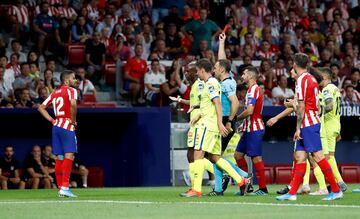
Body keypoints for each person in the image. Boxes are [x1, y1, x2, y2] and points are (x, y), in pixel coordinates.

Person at [276, 53, 343, 201]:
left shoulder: (301, 80)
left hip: (309, 123)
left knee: (318, 156)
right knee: (300, 157)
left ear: (294, 64)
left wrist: (298, 128)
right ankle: (292, 193)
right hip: (312, 121)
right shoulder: (312, 79)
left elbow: (301, 106)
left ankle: (336, 190)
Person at [181, 58, 249, 197]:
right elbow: (210, 105)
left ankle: (196, 189)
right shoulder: (211, 83)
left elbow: (217, 104)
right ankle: (240, 179)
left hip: (208, 125)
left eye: (197, 71)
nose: (197, 75)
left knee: (198, 154)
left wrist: (219, 123)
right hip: (209, 122)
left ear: (201, 70)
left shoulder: (211, 83)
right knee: (215, 157)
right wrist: (198, 114)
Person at [209, 33, 249, 196]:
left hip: (226, 119)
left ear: (222, 70)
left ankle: (242, 177)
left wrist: (229, 121)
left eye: (216, 68)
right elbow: (222, 60)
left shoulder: (226, 84)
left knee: (215, 156)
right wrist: (222, 43)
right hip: (224, 119)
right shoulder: (228, 78)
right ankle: (240, 178)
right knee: (215, 156)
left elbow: (236, 103)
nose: (214, 69)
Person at [38, 70, 78, 198]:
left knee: (59, 157)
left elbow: (40, 108)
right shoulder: (71, 90)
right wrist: (73, 120)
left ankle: (61, 188)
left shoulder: (55, 93)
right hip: (66, 125)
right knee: (69, 155)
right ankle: (65, 187)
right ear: (66, 80)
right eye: (73, 78)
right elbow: (73, 104)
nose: (75, 80)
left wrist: (52, 120)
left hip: (56, 127)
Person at [234, 66, 268, 196]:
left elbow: (250, 111)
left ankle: (263, 189)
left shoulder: (254, 89)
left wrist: (236, 118)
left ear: (250, 76)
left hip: (255, 129)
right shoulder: (251, 90)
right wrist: (243, 124)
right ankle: (247, 185)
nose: (242, 76)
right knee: (238, 156)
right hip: (248, 128)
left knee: (256, 158)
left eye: (244, 74)